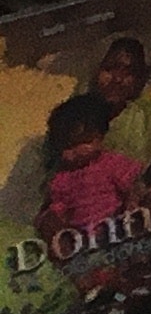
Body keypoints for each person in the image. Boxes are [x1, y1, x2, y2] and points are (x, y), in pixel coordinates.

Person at [33, 98, 136, 238]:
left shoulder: (110, 163)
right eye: (69, 146)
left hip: (114, 226)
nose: (77, 151)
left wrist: (131, 205)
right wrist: (55, 217)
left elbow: (131, 185)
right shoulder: (63, 177)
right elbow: (59, 205)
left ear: (99, 138)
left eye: (84, 142)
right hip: (81, 236)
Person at [82, 42, 151, 186]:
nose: (117, 79)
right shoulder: (78, 114)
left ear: (140, 80)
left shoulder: (146, 116)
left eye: (128, 73)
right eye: (109, 69)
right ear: (97, 71)